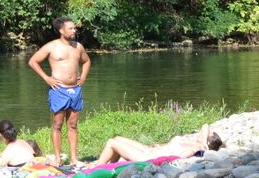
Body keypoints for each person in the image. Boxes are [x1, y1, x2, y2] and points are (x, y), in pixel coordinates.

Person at [28, 16, 92, 165]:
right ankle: (57, 159)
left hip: (75, 89)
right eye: (71, 28)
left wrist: (83, 76)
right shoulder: (51, 46)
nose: (74, 30)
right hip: (59, 90)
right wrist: (46, 78)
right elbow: (33, 61)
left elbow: (87, 61)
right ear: (61, 30)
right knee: (57, 124)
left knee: (73, 125)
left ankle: (74, 158)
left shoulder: (78, 46)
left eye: (74, 28)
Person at [93, 124, 222, 165]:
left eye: (205, 136)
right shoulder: (197, 143)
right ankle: (110, 166)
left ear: (208, 141)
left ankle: (97, 167)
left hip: (146, 157)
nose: (200, 134)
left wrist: (202, 145)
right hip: (147, 150)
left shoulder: (197, 147)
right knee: (117, 138)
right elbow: (206, 125)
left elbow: (181, 157)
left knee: (112, 143)